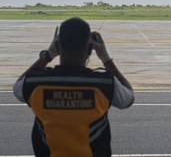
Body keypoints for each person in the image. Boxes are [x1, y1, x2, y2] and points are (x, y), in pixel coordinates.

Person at [13, 17, 134, 157]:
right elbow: (128, 98)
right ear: (90, 49)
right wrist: (106, 59)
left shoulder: (36, 82)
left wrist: (47, 55)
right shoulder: (104, 84)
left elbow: (18, 87)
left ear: (58, 46)